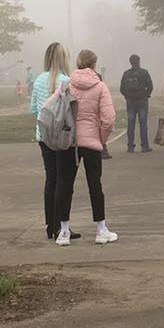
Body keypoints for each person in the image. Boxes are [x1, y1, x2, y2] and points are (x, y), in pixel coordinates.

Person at [30, 41, 79, 242]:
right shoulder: (66, 80)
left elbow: (34, 109)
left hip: (43, 136)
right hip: (62, 137)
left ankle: (51, 225)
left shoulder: (39, 80)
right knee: (63, 180)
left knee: (50, 179)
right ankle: (62, 224)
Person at [70, 49, 118, 245]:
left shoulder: (68, 84)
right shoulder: (100, 86)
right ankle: (100, 229)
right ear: (94, 65)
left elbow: (50, 108)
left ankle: (63, 229)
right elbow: (108, 119)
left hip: (71, 142)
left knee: (66, 185)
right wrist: (101, 139)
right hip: (91, 141)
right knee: (95, 186)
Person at [119, 54, 154, 152]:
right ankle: (144, 146)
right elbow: (150, 86)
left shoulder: (126, 74)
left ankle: (130, 146)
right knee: (143, 124)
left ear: (130, 62)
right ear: (139, 61)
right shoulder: (144, 72)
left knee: (131, 124)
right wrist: (146, 95)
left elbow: (122, 88)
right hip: (142, 101)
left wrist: (127, 96)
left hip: (130, 102)